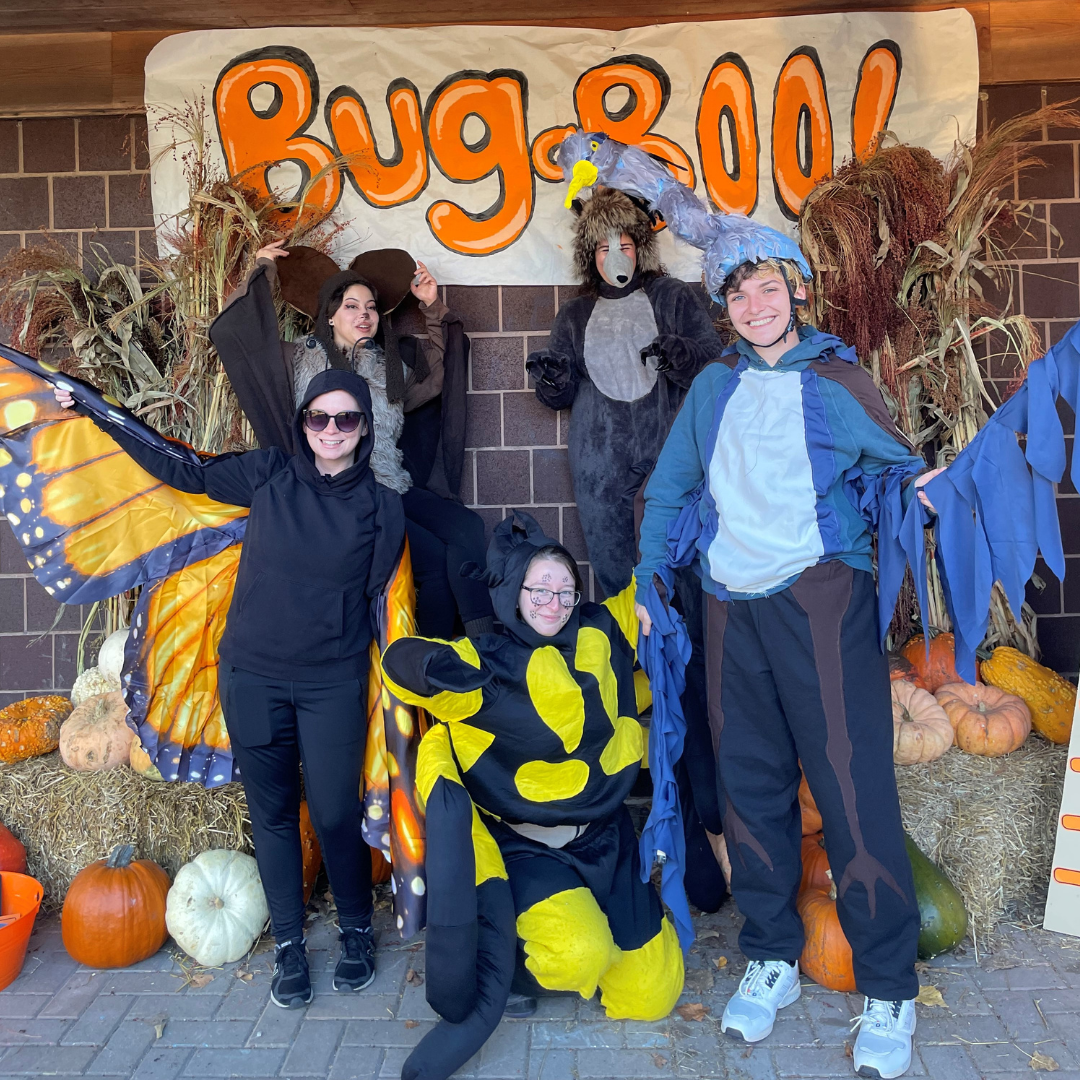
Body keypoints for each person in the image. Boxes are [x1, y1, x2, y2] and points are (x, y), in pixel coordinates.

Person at [634, 254, 941, 1080]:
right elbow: (671, 490)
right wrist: (647, 578)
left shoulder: (838, 382)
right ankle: (771, 953)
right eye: (739, 294)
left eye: (769, 288)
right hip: (729, 603)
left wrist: (931, 486)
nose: (755, 304)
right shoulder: (712, 390)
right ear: (725, 309)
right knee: (750, 783)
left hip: (822, 597)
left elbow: (897, 470)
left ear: (796, 294)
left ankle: (886, 984)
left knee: (850, 784)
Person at [53, 369, 404, 1010]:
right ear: (302, 424)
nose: (331, 430)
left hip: (332, 681)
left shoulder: (382, 507)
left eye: (345, 419)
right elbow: (180, 469)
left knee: (331, 813)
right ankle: (292, 947)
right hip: (253, 677)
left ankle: (356, 930)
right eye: (318, 418)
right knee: (271, 815)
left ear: (364, 428)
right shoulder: (267, 474)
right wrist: (94, 410)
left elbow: (377, 594)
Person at [380, 512, 684, 1080]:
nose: (553, 602)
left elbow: (653, 587)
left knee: (653, 992)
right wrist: (437, 668)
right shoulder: (486, 661)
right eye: (539, 589)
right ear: (515, 593)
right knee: (578, 955)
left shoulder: (601, 629)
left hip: (605, 839)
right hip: (529, 850)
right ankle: (514, 962)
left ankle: (600, 932)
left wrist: (665, 579)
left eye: (564, 590)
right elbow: (398, 664)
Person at [528, 186, 729, 913]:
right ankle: (640, 772)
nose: (616, 256)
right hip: (602, 473)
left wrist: (680, 352)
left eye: (626, 244)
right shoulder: (575, 312)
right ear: (589, 251)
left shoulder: (675, 298)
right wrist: (552, 377)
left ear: (642, 246)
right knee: (622, 607)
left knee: (689, 613)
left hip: (672, 474)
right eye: (603, 245)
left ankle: (703, 792)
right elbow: (558, 386)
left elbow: (710, 365)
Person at [209, 241, 495, 640]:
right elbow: (242, 338)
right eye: (351, 306)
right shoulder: (297, 360)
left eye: (371, 308)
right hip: (340, 496)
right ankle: (434, 660)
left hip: (392, 484)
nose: (364, 315)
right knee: (432, 562)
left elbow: (438, 379)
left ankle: (485, 643)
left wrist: (431, 307)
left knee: (465, 527)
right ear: (328, 316)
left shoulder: (388, 366)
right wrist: (263, 271)